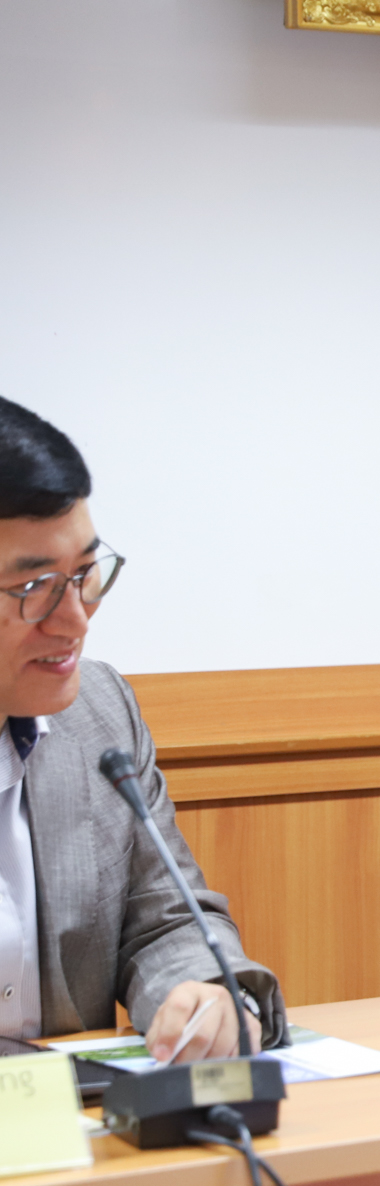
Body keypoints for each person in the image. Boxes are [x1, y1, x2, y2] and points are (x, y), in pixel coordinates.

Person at [0, 395, 284, 1060]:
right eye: (36, 588)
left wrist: (204, 994)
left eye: (84, 573)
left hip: (75, 1119)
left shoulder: (100, 712)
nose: (76, 618)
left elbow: (166, 918)